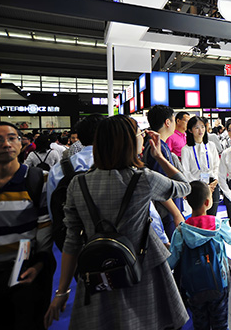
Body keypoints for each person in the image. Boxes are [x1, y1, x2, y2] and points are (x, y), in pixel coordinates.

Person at [44, 115, 191, 329]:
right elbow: (184, 186)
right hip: (143, 267)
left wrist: (62, 291)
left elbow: (72, 241)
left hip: (98, 271)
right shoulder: (143, 178)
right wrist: (159, 156)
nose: (143, 137)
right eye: (139, 133)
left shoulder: (78, 183)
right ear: (128, 142)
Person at [168, 181, 231, 330]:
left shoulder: (181, 231)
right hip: (218, 284)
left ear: (187, 201)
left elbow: (171, 260)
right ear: (208, 202)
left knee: (200, 323)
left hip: (193, 288)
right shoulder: (217, 225)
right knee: (220, 323)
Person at [0, 121, 54, 330]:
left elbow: (45, 226)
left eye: (12, 138)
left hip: (25, 272)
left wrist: (39, 264)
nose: (6, 144)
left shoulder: (38, 179)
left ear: (22, 144)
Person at [144, 105, 185, 240]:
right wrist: (176, 213)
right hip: (166, 213)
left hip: (169, 210)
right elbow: (159, 186)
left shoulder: (159, 145)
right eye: (173, 120)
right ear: (168, 122)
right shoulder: (157, 148)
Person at [181, 116, 220, 216]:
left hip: (212, 184)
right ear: (190, 130)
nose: (201, 130)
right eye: (197, 127)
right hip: (196, 187)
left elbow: (216, 165)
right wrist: (203, 187)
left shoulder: (211, 145)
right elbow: (186, 171)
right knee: (199, 217)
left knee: (212, 216)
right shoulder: (186, 149)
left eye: (202, 127)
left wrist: (215, 180)